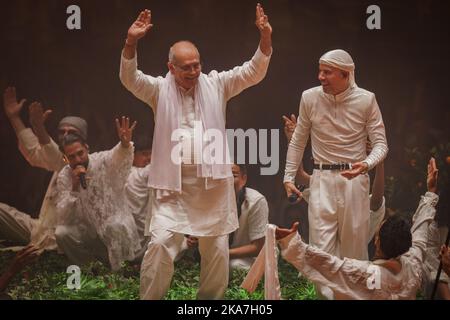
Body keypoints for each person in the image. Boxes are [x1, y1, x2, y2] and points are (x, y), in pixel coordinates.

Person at [120, 4, 272, 299]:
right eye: (186, 67)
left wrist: (264, 37)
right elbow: (130, 79)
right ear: (171, 68)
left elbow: (252, 72)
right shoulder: (157, 89)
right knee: (161, 243)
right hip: (172, 187)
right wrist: (131, 42)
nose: (193, 71)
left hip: (212, 186)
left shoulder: (216, 84)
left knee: (215, 249)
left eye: (196, 64)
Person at [276, 158, 439, 300]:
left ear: (377, 241)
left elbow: (327, 265)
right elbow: (420, 232)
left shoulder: (364, 274)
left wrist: (291, 242)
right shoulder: (413, 264)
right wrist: (431, 192)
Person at [283, 49, 388, 265]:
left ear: (346, 74)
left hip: (354, 180)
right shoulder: (309, 97)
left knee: (354, 252)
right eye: (320, 71)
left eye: (327, 72)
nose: (321, 77)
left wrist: (366, 164)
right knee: (319, 253)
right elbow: (298, 140)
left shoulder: (366, 100)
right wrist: (288, 177)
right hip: (321, 179)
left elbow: (381, 144)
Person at [0, 87, 88, 251]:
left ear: (83, 139)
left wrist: (39, 128)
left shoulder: (82, 163)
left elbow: (57, 159)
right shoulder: (58, 158)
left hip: (58, 238)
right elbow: (34, 151)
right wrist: (14, 118)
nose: (66, 135)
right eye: (62, 131)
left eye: (72, 132)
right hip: (39, 228)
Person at [54, 117, 140, 271]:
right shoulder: (64, 176)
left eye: (80, 153)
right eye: (71, 157)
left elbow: (117, 156)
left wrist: (125, 144)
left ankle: (119, 271)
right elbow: (63, 217)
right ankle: (90, 268)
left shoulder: (101, 160)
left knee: (114, 225)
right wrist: (74, 188)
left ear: (87, 148)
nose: (78, 159)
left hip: (113, 225)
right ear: (65, 158)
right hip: (87, 230)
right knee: (61, 233)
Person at [187, 164, 269, 271]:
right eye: (222, 176)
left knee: (233, 266)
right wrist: (195, 240)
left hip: (245, 257)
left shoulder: (256, 201)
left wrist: (221, 253)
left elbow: (258, 248)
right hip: (218, 253)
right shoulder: (211, 197)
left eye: (233, 176)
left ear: (244, 179)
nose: (227, 181)